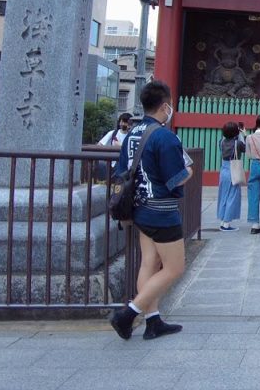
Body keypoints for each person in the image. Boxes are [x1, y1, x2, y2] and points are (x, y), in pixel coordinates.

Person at [109, 81, 191, 341]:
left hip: (139, 207)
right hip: (161, 210)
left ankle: (153, 320)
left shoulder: (132, 133)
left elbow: (121, 170)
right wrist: (189, 172)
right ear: (165, 106)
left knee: (150, 262)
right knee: (174, 267)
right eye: (171, 106)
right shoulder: (164, 136)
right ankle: (128, 314)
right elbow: (175, 179)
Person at [216, 121, 246, 232]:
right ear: (236, 132)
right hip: (233, 170)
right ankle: (227, 224)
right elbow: (246, 148)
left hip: (223, 170)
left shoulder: (221, 141)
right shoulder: (237, 143)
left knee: (223, 195)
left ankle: (223, 221)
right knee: (232, 196)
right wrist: (243, 134)